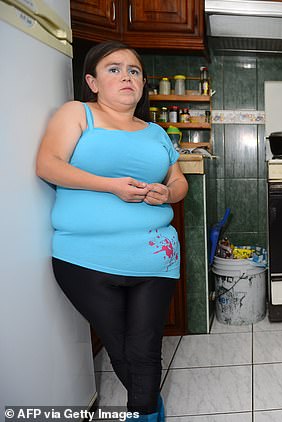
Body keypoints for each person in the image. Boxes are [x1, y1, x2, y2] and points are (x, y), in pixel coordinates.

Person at [36, 41, 188, 421]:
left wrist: (167, 192)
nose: (126, 76)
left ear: (142, 84)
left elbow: (179, 180)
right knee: (120, 347)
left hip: (155, 257)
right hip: (84, 258)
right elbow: (48, 164)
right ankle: (149, 401)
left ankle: (146, 412)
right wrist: (112, 186)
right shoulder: (77, 113)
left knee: (144, 348)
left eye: (134, 71)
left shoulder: (156, 131)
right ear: (93, 81)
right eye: (114, 69)